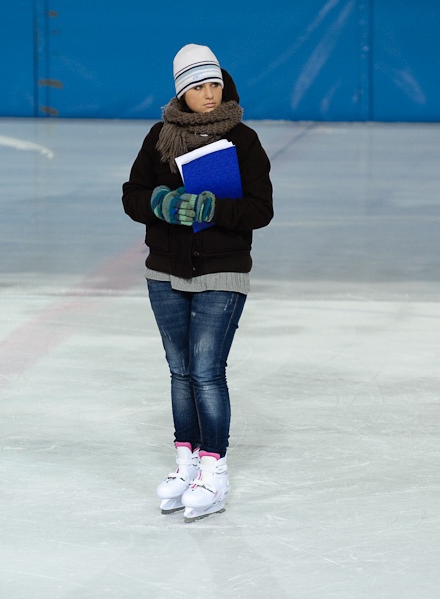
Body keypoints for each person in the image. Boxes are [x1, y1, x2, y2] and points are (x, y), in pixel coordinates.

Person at [122, 44, 274, 522]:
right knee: (180, 369)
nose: (209, 94)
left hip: (221, 271)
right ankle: (186, 464)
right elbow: (132, 196)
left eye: (215, 85)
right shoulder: (158, 137)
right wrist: (162, 205)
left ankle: (215, 470)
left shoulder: (243, 141)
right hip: (165, 271)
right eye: (198, 87)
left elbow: (260, 209)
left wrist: (214, 209)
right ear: (181, 93)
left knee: (207, 370)